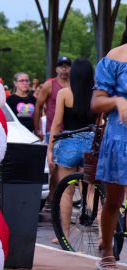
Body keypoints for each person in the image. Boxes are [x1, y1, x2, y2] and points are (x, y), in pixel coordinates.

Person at [47, 59, 97, 244]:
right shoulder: (97, 95)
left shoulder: (64, 93)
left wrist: (50, 148)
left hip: (69, 143)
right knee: (91, 191)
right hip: (91, 144)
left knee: (66, 191)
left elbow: (57, 122)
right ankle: (104, 236)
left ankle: (64, 235)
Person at [92, 43, 127, 270]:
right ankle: (106, 250)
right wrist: (117, 101)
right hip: (119, 138)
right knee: (114, 200)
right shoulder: (116, 56)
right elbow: (96, 103)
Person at [34, 56, 72, 141]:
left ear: (71, 68)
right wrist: (37, 129)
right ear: (56, 69)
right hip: (53, 131)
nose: (64, 68)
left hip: (71, 131)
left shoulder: (75, 85)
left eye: (67, 66)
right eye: (61, 66)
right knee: (51, 154)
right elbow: (38, 106)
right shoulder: (49, 85)